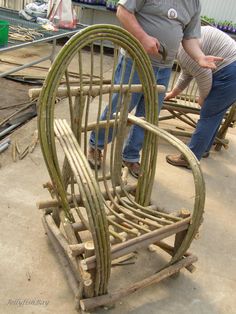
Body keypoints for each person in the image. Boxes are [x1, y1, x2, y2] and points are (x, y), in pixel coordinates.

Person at [88, 0, 222, 178]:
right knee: (119, 107)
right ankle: (96, 145)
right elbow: (123, 11)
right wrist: (143, 38)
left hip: (164, 68)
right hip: (134, 60)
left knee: (149, 115)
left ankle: (130, 156)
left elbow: (189, 37)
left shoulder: (193, 3)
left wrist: (200, 58)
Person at [165, 25, 236, 168]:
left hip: (230, 72)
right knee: (215, 114)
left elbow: (204, 76)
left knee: (208, 116)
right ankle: (202, 149)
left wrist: (203, 97)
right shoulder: (186, 42)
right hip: (231, 69)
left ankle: (189, 158)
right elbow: (187, 73)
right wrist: (173, 94)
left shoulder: (185, 50)